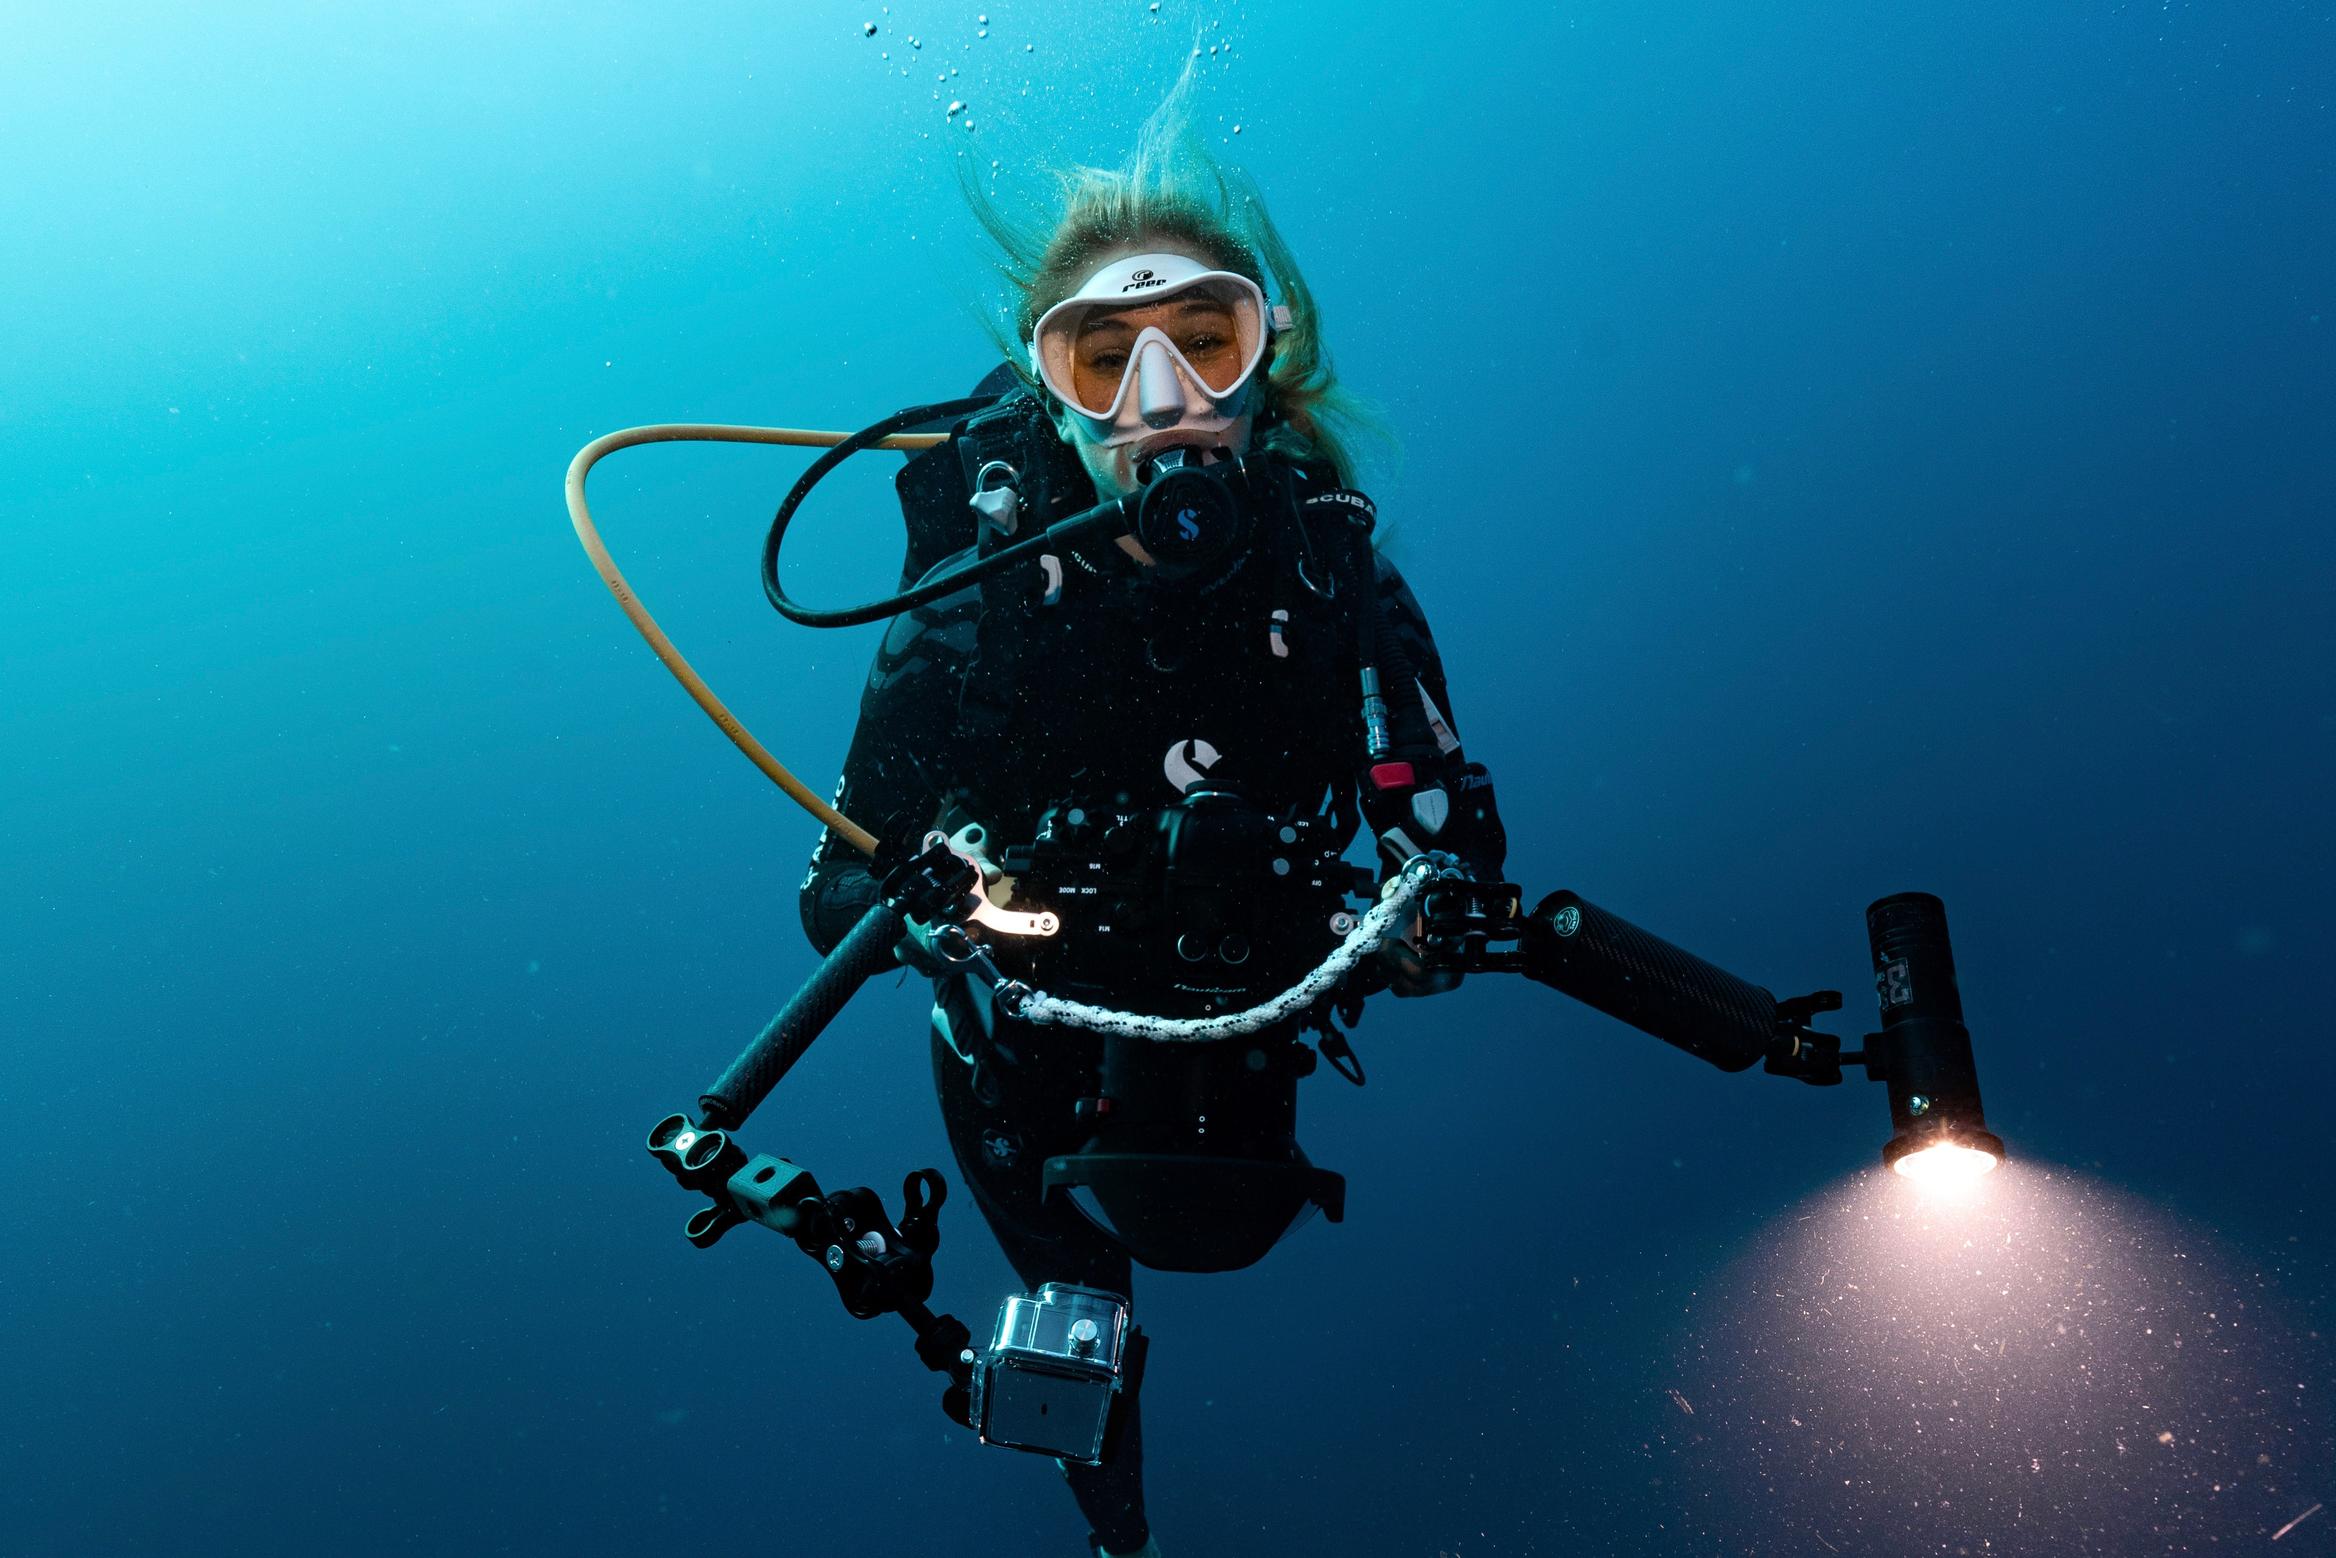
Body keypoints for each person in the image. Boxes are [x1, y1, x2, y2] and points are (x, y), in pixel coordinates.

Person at [797, 85, 1506, 1558]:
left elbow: (1454, 846)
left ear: (1265, 362)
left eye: (1205, 341)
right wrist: (945, 901)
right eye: (1107, 359)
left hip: (1254, 1029)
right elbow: (834, 891)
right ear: (1050, 395)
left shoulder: (1329, 574)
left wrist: (1421, 914)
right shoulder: (978, 598)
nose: (1165, 398)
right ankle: (1126, 1541)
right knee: (1080, 1340)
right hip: (1026, 1062)